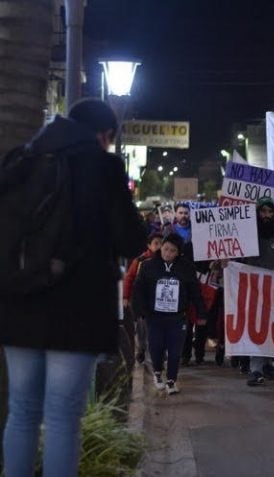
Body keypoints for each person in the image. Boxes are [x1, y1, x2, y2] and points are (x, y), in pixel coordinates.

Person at [0, 98, 146, 476]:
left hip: (19, 303)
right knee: (63, 415)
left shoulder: (22, 158)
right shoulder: (101, 165)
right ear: (104, 134)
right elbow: (132, 239)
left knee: (22, 410)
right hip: (76, 309)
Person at [131, 233, 208, 395]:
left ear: (178, 252)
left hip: (178, 317)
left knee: (175, 351)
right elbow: (139, 290)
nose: (168, 253)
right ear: (161, 248)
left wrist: (202, 313)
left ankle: (172, 380)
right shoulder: (147, 266)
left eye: (172, 251)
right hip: (155, 317)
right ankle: (158, 373)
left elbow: (195, 292)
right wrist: (139, 311)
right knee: (156, 348)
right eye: (165, 249)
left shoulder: (187, 268)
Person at [243, 197, 274, 385]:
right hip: (253, 288)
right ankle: (255, 369)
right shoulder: (248, 232)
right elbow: (239, 257)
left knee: (272, 326)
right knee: (256, 327)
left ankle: (268, 363)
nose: (266, 215)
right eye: (262, 212)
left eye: (269, 212)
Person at [123, 232, 164, 364]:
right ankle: (141, 348)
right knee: (142, 327)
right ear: (149, 245)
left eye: (161, 243)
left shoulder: (167, 260)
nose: (159, 246)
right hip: (141, 300)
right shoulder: (140, 260)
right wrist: (125, 297)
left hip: (159, 299)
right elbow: (129, 279)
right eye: (156, 243)